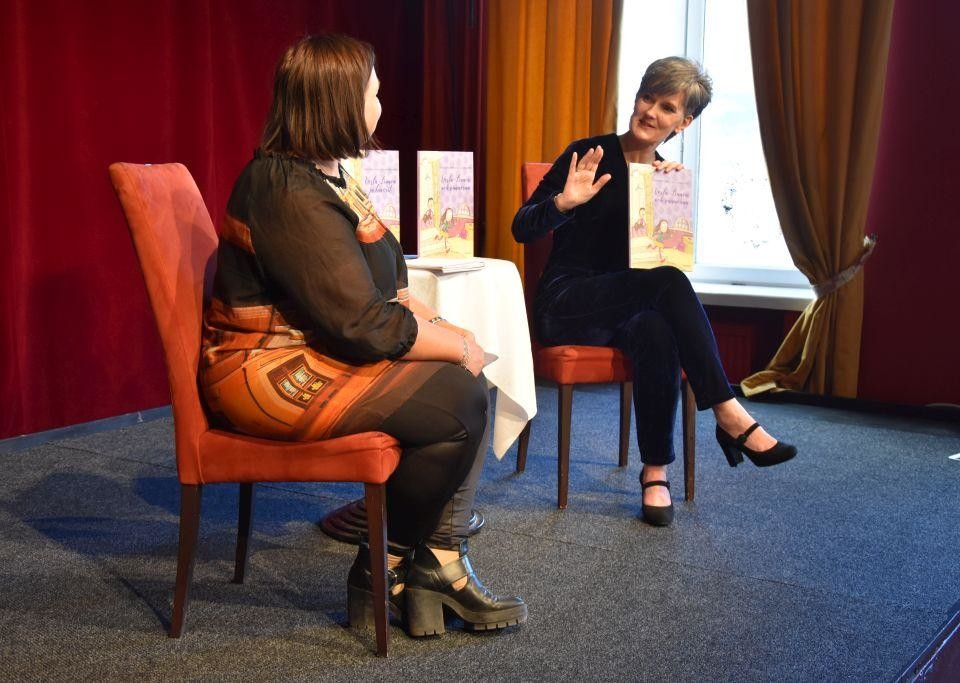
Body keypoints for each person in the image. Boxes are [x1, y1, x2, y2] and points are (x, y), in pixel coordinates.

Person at [199, 34, 526, 636]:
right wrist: (451, 343)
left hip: (313, 346)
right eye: (373, 93)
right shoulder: (284, 189)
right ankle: (384, 567)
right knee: (458, 400)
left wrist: (443, 328)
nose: (381, 104)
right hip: (264, 372)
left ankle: (442, 562)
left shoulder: (328, 174)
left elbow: (382, 285)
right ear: (337, 101)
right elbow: (362, 324)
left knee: (470, 382)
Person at [511, 57, 797, 527]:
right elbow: (522, 228)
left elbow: (660, 264)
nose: (650, 111)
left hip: (625, 307)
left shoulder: (667, 178)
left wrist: (666, 210)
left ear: (683, 123)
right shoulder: (587, 154)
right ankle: (727, 410)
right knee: (666, 285)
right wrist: (565, 201)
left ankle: (655, 470)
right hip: (566, 304)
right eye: (648, 97)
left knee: (657, 327)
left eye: (666, 107)